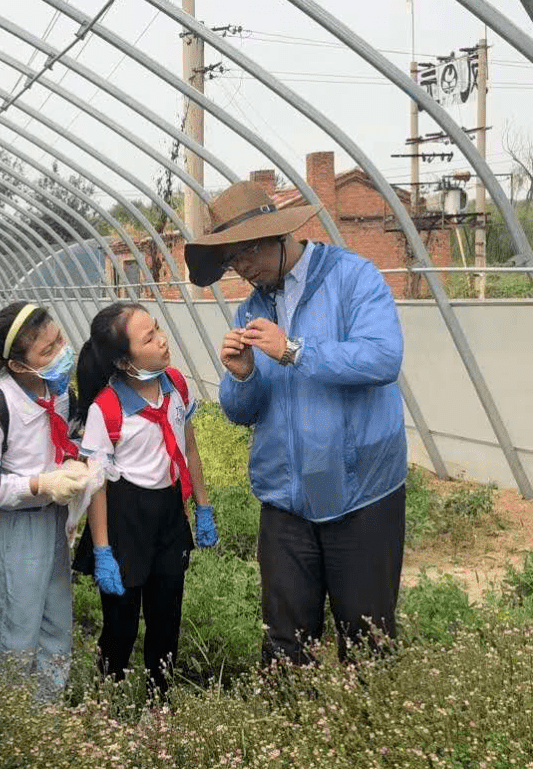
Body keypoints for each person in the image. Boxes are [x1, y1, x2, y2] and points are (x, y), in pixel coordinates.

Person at [184, 180, 407, 665]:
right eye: (231, 263)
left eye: (244, 255)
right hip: (285, 499)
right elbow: (242, 413)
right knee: (284, 643)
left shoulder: (354, 278)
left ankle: (368, 734)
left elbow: (382, 358)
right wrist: (241, 377)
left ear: (278, 236)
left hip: (360, 493)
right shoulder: (252, 307)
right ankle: (288, 731)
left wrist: (294, 350)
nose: (242, 270)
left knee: (368, 639)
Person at [73, 302, 215, 695]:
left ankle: (160, 700)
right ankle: (109, 701)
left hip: (168, 514)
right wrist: (102, 550)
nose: (162, 340)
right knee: (121, 624)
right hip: (124, 520)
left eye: (157, 329)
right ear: (123, 359)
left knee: (166, 616)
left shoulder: (175, 386)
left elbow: (189, 447)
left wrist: (202, 506)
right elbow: (96, 483)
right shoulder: (108, 408)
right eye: (148, 337)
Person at [0, 302, 88, 700]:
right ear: (19, 366)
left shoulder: (58, 393)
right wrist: (37, 484)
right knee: (15, 631)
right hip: (12, 529)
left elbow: (67, 438)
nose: (60, 352)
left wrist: (75, 464)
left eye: (59, 341)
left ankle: (46, 715)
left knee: (56, 624)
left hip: (53, 520)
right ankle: (10, 716)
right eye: (47, 351)